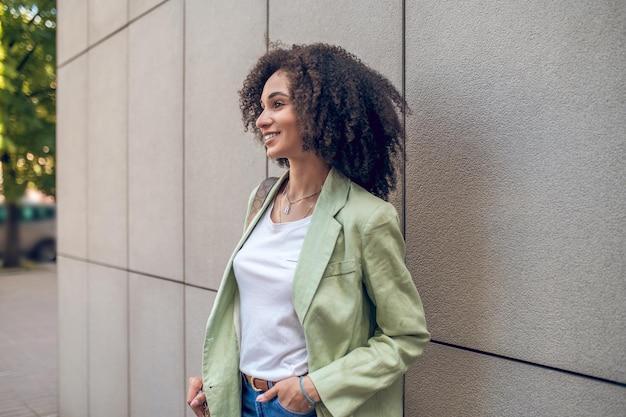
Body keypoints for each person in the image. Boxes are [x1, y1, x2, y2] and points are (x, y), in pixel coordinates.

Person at [187, 43, 430, 417]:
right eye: (262, 107)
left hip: (305, 407)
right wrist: (218, 380)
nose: (261, 119)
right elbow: (256, 311)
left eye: (277, 105)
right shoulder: (262, 197)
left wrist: (315, 388)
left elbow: (405, 335)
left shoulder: (366, 217)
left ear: (319, 113)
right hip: (243, 400)